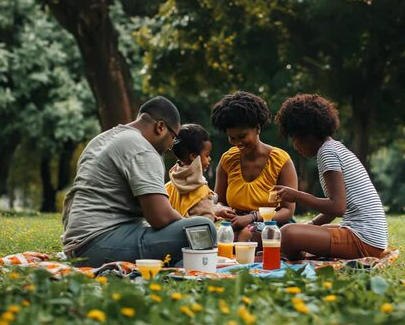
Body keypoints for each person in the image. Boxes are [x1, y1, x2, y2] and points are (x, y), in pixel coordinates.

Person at [61, 96, 216, 267]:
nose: (172, 146)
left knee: (189, 234)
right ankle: (188, 267)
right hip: (98, 245)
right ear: (160, 127)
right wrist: (185, 223)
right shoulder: (142, 149)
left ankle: (179, 264)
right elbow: (160, 217)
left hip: (78, 245)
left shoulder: (101, 139)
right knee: (204, 228)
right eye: (174, 137)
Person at [272, 94, 388, 259]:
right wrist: (311, 225)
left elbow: (337, 207)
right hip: (369, 238)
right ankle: (296, 251)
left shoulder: (327, 153)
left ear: (308, 134)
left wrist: (296, 196)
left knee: (287, 233)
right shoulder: (334, 148)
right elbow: (335, 208)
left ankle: (295, 254)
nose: (295, 145)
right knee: (306, 229)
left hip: (363, 240)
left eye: (295, 138)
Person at [211, 91, 298, 241]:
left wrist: (252, 218)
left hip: (272, 225)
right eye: (232, 138)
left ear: (257, 128)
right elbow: (218, 200)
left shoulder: (280, 161)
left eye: (242, 136)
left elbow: (287, 211)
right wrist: (220, 209)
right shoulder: (227, 160)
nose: (237, 143)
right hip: (236, 225)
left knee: (246, 235)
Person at [165, 124, 216, 221]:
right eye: (207, 155)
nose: (209, 159)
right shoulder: (201, 191)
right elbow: (206, 225)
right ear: (193, 156)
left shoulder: (167, 187)